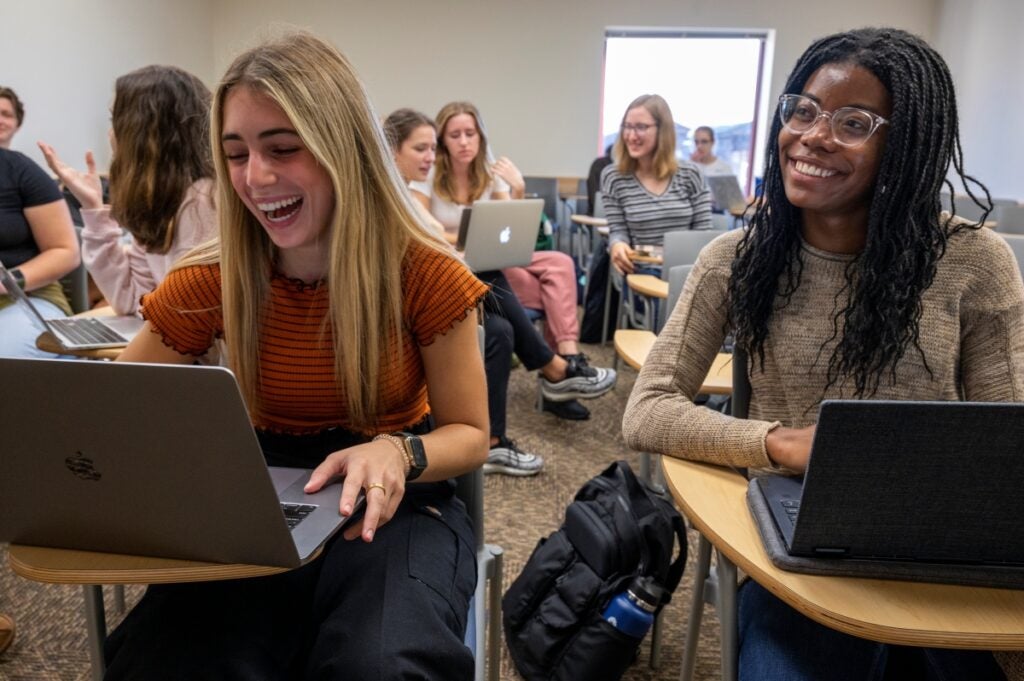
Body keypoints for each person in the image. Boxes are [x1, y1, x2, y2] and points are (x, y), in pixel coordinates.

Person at [623, 27, 1017, 681]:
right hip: (800, 544)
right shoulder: (738, 258)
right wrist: (777, 444)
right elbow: (648, 408)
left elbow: (1009, 433)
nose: (813, 136)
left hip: (939, 543)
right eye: (802, 110)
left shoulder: (974, 261)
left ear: (908, 143)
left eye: (853, 122)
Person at [103, 32, 489, 680]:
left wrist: (398, 449)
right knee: (171, 661)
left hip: (395, 498)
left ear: (344, 147)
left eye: (283, 148)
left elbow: (472, 434)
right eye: (236, 153)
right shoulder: (214, 279)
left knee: (382, 662)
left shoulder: (425, 272)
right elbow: (111, 411)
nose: (256, 177)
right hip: (259, 496)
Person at [411, 101, 616, 419]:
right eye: (455, 135)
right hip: (459, 263)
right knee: (548, 290)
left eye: (471, 133)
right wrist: (466, 239)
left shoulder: (490, 172)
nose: (464, 141)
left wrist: (517, 189)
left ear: (481, 137)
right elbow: (423, 227)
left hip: (492, 260)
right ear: (442, 141)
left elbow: (509, 227)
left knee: (560, 263)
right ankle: (560, 376)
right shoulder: (429, 172)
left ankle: (568, 357)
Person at [384, 107, 546, 475]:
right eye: (423, 149)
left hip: (442, 292)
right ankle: (550, 367)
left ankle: (493, 442)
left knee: (501, 331)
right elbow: (436, 254)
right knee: (490, 279)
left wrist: (515, 189)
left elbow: (502, 231)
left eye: (431, 149)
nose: (431, 157)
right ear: (393, 151)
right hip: (422, 303)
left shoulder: (403, 192)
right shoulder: (400, 197)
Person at [39, 65, 217, 316]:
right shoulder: (159, 202)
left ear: (144, 130)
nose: (111, 134)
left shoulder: (202, 201)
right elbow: (131, 301)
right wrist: (93, 207)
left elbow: (188, 317)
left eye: (116, 120)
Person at [0, 87, 80, 358]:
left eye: (5, 114)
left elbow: (65, 252)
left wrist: (6, 282)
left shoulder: (20, 170)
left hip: (24, 300)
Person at [601, 94, 712, 275]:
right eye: (627, 127)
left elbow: (702, 235)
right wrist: (617, 244)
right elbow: (618, 230)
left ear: (663, 131)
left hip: (686, 272)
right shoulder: (614, 177)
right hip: (641, 270)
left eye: (641, 127)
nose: (631, 135)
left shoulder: (690, 174)